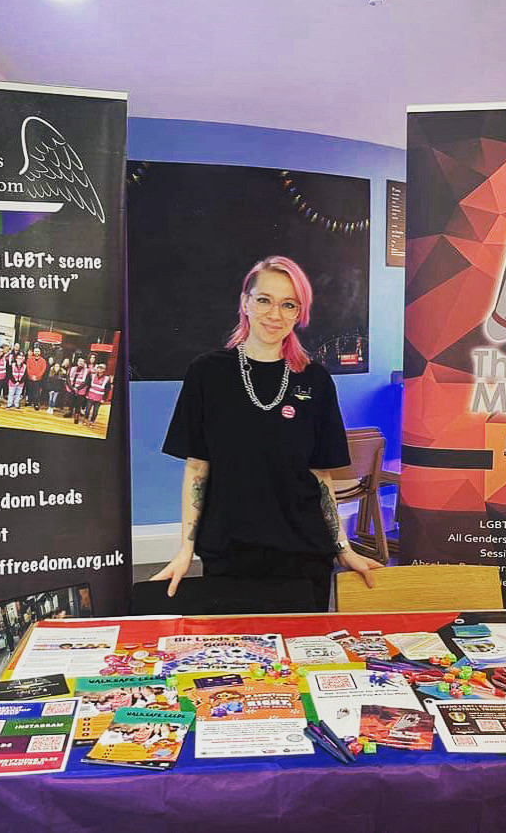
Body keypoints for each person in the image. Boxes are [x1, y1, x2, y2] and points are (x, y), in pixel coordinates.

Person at [153, 256, 381, 611]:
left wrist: (343, 548)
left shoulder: (315, 380)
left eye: (288, 304)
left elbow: (321, 476)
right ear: (245, 302)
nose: (275, 314)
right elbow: (197, 470)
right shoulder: (207, 374)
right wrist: (185, 551)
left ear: (298, 313)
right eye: (264, 300)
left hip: (303, 556)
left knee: (301, 661)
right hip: (229, 554)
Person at [26, 346, 48, 410]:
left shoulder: (43, 361)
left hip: (38, 379)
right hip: (30, 378)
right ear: (33, 352)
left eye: (38, 351)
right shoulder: (29, 359)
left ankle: (36, 404)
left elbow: (43, 370)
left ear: (40, 352)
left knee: (36, 392)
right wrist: (31, 376)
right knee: (29, 390)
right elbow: (28, 368)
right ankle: (29, 402)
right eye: (35, 351)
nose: (37, 352)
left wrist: (37, 376)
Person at [69, 357, 90, 423]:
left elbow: (86, 382)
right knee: (71, 402)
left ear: (84, 363)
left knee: (78, 405)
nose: (80, 362)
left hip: (80, 391)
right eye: (79, 361)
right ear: (77, 362)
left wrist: (77, 388)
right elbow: (67, 379)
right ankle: (70, 413)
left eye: (82, 361)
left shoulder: (87, 371)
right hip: (71, 389)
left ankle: (76, 418)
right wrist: (72, 387)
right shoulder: (72, 369)